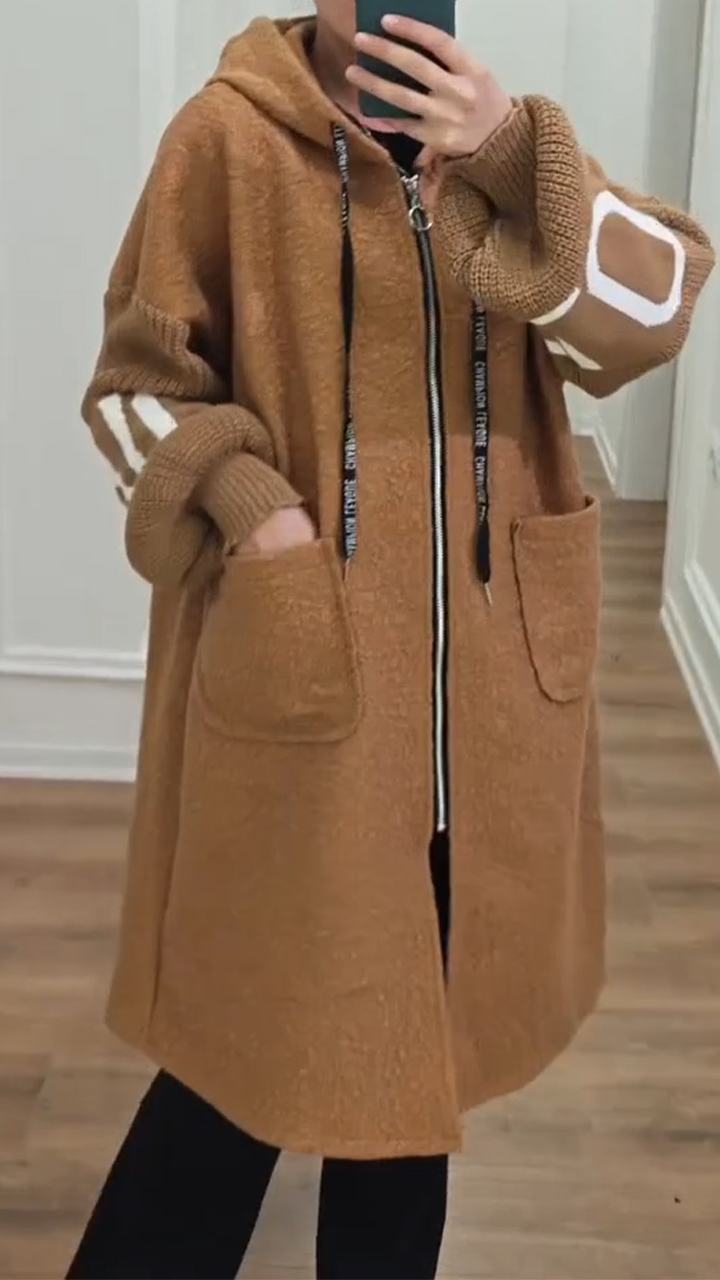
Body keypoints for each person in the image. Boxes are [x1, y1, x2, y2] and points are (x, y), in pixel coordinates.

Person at [67, 3, 715, 1278]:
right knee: (236, 1069)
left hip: (490, 722)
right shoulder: (226, 140)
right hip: (303, 699)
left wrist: (513, 153)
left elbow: (652, 316)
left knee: (418, 1084)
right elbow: (131, 394)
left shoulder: (509, 152)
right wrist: (256, 511)